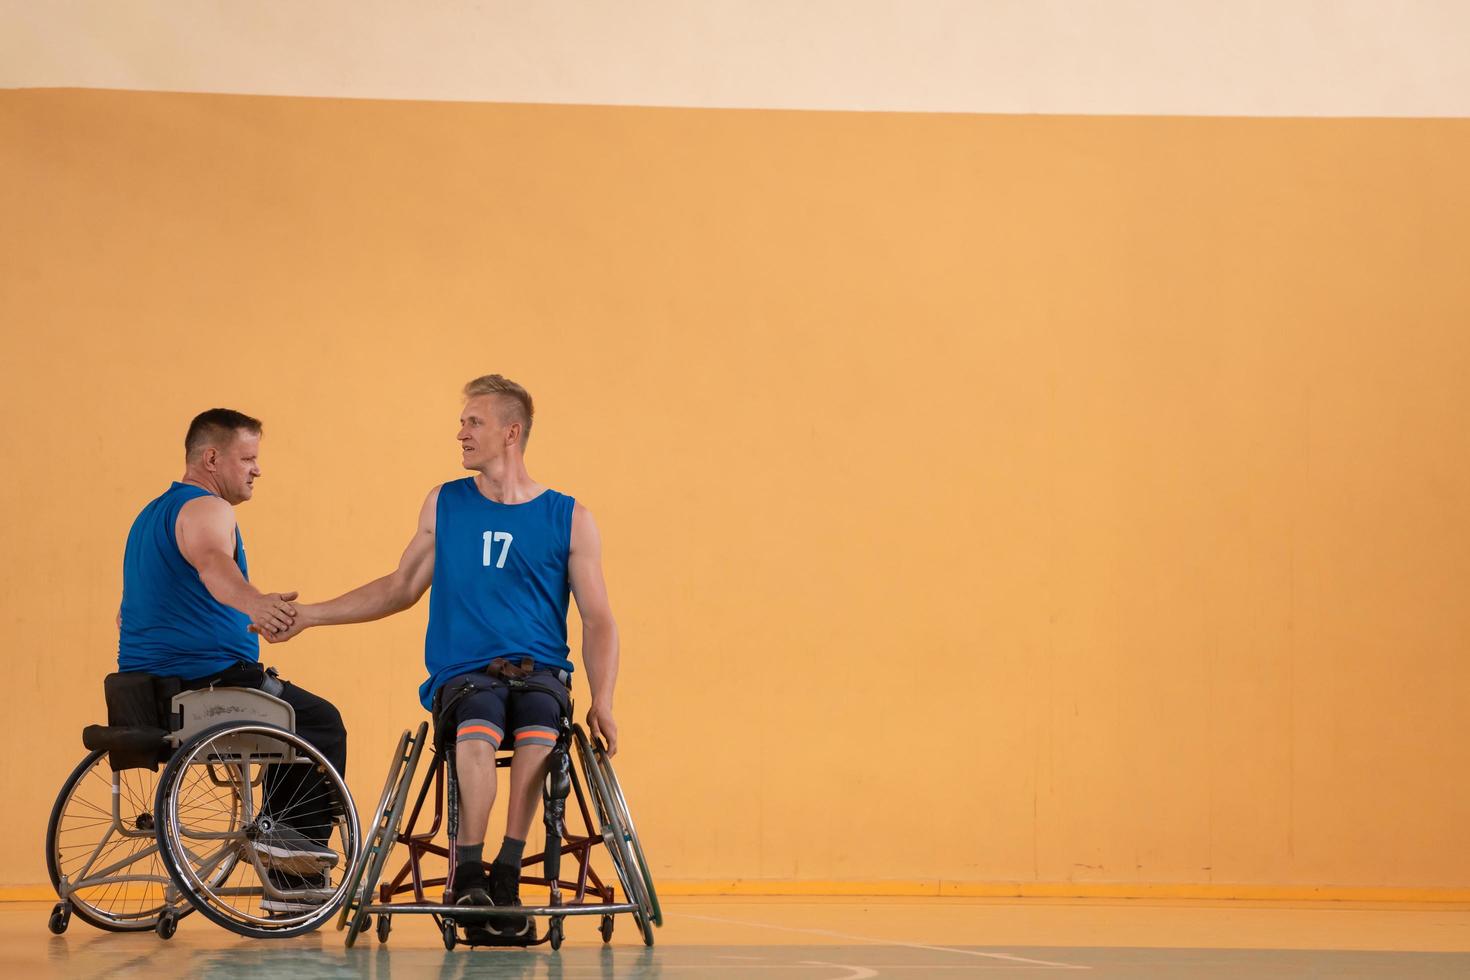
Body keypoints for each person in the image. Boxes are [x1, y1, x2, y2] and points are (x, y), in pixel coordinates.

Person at [266, 375, 621, 942]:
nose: (460, 433)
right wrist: (311, 614)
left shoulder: (569, 517)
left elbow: (598, 619)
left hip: (541, 672)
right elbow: (401, 586)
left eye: (472, 422)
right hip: (466, 674)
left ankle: (507, 869)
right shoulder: (447, 503)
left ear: (511, 432)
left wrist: (603, 700)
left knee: (537, 727)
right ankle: (470, 872)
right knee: (477, 728)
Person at [117, 408, 348, 907]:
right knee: (320, 722)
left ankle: (284, 852)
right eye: (248, 458)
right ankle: (292, 874)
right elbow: (215, 567)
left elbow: (126, 616)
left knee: (292, 711)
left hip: (143, 694)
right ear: (211, 457)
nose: (256, 469)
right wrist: (257, 604)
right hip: (207, 689)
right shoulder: (208, 509)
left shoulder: (148, 518)